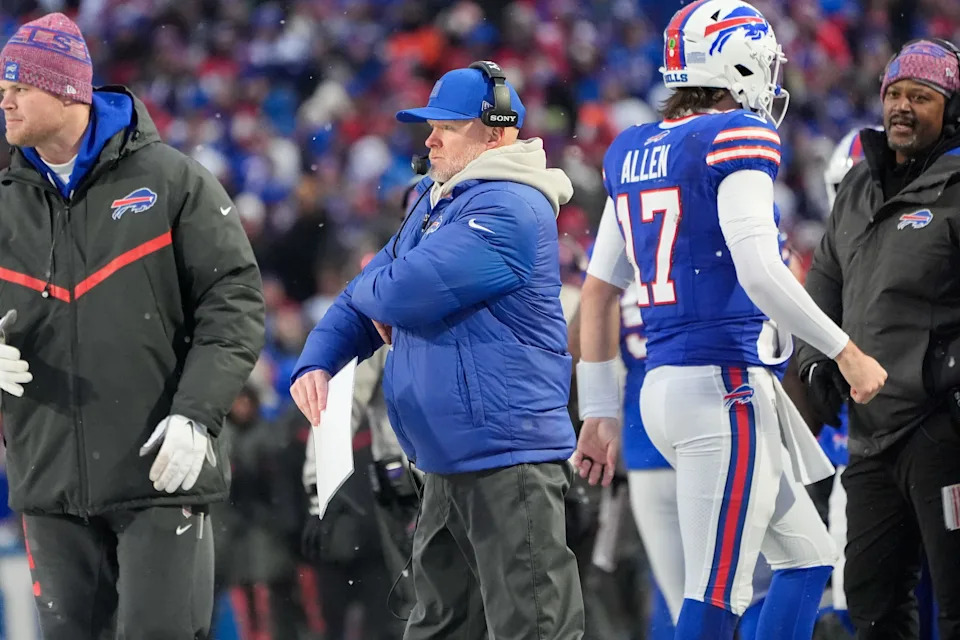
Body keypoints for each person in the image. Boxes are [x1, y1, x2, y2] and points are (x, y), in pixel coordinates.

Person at [571, 1, 887, 638]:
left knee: (807, 559)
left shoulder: (633, 150)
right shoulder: (734, 136)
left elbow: (599, 292)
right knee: (716, 593)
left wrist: (600, 409)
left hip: (667, 390)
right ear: (735, 64)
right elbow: (760, 271)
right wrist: (845, 351)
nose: (770, 78)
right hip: (721, 386)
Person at [290, 61, 584, 640]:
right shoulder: (438, 202)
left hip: (506, 455)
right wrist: (318, 359)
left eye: (447, 127)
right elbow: (371, 291)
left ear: (495, 133)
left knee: (532, 628)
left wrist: (381, 290)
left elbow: (397, 289)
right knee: (438, 628)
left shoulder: (511, 207)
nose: (430, 140)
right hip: (444, 458)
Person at [0, 13, 265, 639]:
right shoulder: (6, 201)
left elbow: (234, 301)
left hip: (160, 472)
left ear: (68, 91)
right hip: (49, 485)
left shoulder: (171, 180)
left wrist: (197, 413)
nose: (4, 101)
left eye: (19, 87)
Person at [796, 38, 960, 639]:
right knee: (872, 608)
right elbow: (823, 286)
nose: (902, 107)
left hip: (943, 427)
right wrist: (815, 366)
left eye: (922, 96)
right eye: (895, 93)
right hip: (869, 434)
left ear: (951, 109)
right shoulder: (858, 184)